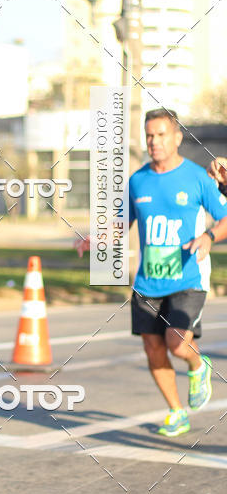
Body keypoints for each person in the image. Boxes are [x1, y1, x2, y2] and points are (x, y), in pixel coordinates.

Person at [78, 108, 227, 436]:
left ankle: (198, 364)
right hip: (148, 281)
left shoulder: (197, 178)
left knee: (176, 343)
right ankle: (177, 412)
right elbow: (122, 223)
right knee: (153, 348)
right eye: (149, 135)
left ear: (176, 138)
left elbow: (225, 216)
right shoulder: (137, 180)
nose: (154, 141)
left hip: (189, 276)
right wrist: (96, 239)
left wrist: (208, 236)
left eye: (161, 135)